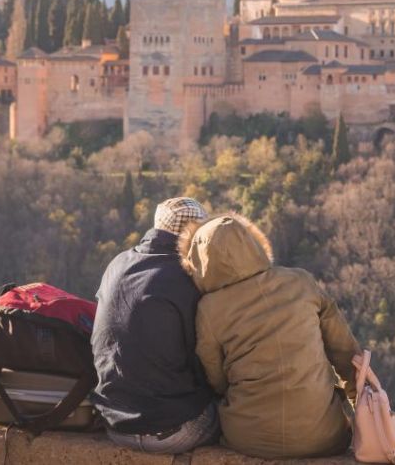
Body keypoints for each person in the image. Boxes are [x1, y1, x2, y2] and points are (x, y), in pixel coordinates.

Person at [179, 213, 361, 459]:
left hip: (249, 439)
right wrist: (359, 404)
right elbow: (345, 352)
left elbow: (217, 378)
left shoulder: (209, 310)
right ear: (253, 244)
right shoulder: (301, 282)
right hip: (324, 436)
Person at [91, 197, 219, 453]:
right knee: (237, 413)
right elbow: (204, 361)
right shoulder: (189, 277)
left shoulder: (117, 263)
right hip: (172, 430)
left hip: (115, 424)